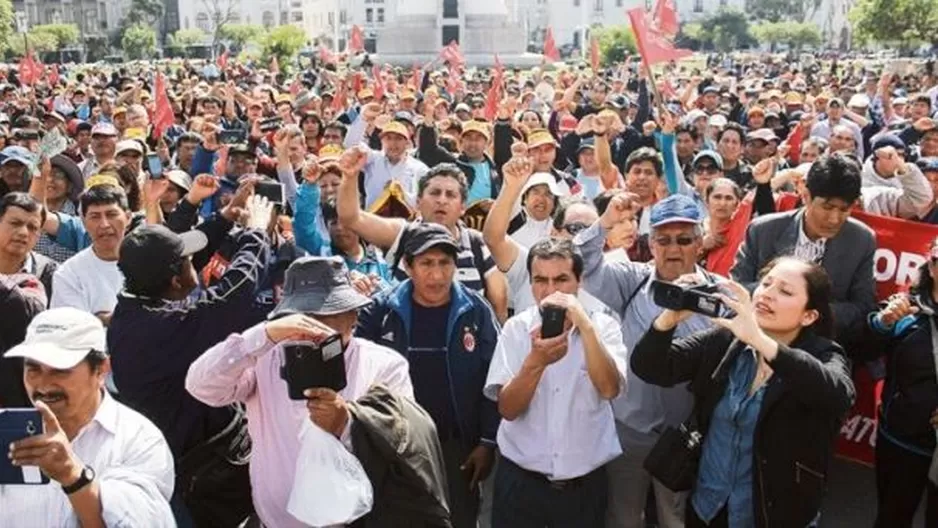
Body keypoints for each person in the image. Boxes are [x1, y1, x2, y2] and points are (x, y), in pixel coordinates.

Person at [185, 256, 416, 527]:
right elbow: (200, 385)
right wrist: (263, 335)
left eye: (328, 313)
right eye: (305, 316)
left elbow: (404, 439)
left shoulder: (384, 364)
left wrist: (348, 423)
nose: (315, 326)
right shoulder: (265, 358)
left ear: (352, 315)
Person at [631, 257, 855, 527]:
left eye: (785, 291)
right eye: (766, 283)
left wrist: (761, 341)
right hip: (708, 507)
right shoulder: (727, 340)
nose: (768, 294)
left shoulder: (823, 354)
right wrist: (668, 320)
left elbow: (838, 395)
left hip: (772, 514)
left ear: (809, 315)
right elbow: (651, 368)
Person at [108, 199, 273, 526]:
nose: (194, 263)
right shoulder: (160, 329)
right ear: (173, 280)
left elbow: (181, 260)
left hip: (195, 462)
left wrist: (224, 219)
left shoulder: (138, 305)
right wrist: (256, 233)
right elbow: (233, 295)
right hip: (192, 481)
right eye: (187, 262)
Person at [573, 192, 718, 528]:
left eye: (684, 240)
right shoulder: (631, 280)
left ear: (700, 244)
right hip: (630, 430)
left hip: (684, 434)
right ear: (650, 244)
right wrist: (605, 221)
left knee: (675, 518)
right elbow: (580, 260)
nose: (673, 249)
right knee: (624, 517)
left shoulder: (719, 295)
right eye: (663, 239)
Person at [356, 222, 501, 528]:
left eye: (444, 263)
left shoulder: (476, 311)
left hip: (457, 449)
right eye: (426, 263)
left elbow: (496, 378)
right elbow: (353, 366)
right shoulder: (380, 311)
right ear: (407, 266)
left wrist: (487, 442)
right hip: (393, 447)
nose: (437, 275)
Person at [484, 238, 628, 527]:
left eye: (561, 279)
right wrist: (535, 362)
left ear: (579, 282)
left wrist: (585, 327)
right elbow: (508, 409)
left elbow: (609, 388)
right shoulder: (517, 329)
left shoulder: (603, 327)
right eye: (541, 280)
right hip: (522, 484)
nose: (550, 291)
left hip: (583, 488)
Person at [1, 307, 175, 527]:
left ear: (101, 370)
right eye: (33, 368)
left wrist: (72, 475)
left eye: (60, 369)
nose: (43, 385)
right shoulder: (7, 433)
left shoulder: (139, 440)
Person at [337, 148, 508, 322]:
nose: (442, 200)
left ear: (463, 206)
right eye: (434, 193)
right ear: (418, 201)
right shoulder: (402, 235)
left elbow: (499, 301)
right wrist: (350, 177)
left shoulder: (475, 243)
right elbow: (351, 218)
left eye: (450, 195)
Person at [732, 154, 877, 345]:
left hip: (821, 348)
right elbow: (737, 287)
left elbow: (862, 306)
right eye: (827, 207)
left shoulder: (861, 240)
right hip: (758, 340)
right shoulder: (763, 231)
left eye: (844, 210)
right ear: (806, 196)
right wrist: (781, 303)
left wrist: (810, 313)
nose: (834, 219)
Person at [866, 240, 938, 528]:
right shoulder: (905, 309)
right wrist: (881, 323)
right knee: (892, 518)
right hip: (901, 439)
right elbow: (865, 354)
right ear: (931, 266)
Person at [49, 185, 131, 324]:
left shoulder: (147, 261)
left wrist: (103, 318)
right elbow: (72, 327)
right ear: (84, 223)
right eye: (95, 217)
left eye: (111, 215)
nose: (104, 224)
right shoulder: (69, 273)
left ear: (128, 218)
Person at [0, 192, 56, 299]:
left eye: (32, 227)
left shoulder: (51, 275)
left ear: (40, 234)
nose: (23, 232)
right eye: (15, 223)